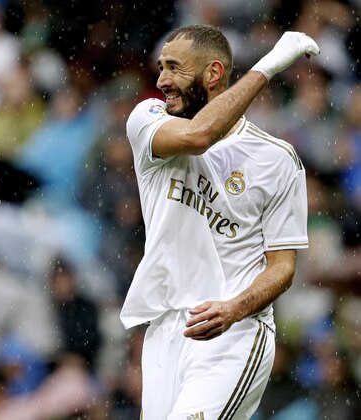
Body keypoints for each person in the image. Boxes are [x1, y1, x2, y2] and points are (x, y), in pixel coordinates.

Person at [119, 25, 320, 419]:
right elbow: (200, 135)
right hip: (165, 330)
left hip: (234, 333)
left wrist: (234, 309)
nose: (161, 81)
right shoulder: (147, 119)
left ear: (213, 74)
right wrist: (269, 65)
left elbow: (282, 267)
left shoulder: (277, 160)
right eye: (161, 68)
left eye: (174, 68)